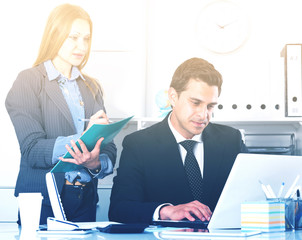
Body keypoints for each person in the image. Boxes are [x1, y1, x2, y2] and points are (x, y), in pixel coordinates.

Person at [5, 4, 116, 225]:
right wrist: (84, 140)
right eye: (73, 37)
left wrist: (95, 163)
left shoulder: (92, 87)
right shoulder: (28, 81)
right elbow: (32, 149)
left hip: (85, 201)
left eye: (86, 38)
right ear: (55, 35)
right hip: (42, 201)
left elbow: (109, 148)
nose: (81, 46)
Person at [109, 57, 247, 224]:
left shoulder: (231, 140)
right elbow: (120, 209)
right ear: (173, 97)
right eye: (195, 103)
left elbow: (252, 196)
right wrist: (166, 211)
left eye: (210, 106)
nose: (203, 115)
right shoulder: (139, 144)